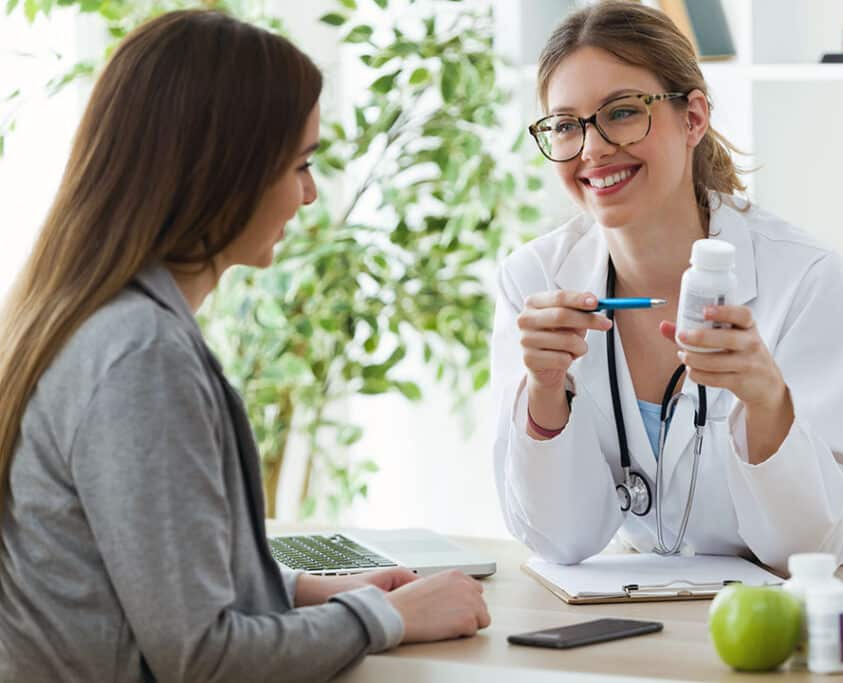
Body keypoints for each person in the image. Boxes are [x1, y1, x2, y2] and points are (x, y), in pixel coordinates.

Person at [0, 10, 488, 682]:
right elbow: (202, 657)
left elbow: (143, 569)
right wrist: (387, 615)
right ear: (223, 172)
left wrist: (296, 590)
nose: (310, 195)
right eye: (300, 164)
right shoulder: (140, 355)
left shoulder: (95, 321)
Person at [490, 1, 843, 572]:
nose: (591, 148)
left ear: (693, 118)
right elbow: (561, 541)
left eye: (620, 113)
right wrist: (544, 392)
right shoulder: (534, 283)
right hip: (686, 604)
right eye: (566, 125)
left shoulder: (803, 277)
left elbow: (808, 549)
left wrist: (765, 400)